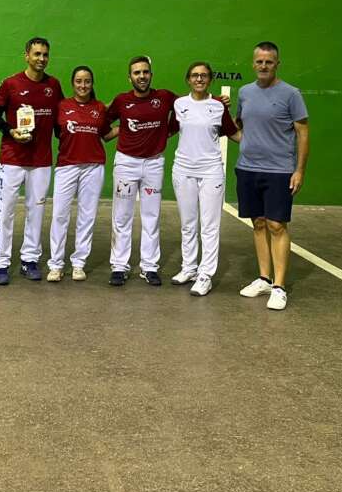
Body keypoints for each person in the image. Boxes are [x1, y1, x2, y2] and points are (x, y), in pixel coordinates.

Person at [235, 42, 309, 311]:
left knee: (277, 225)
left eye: (269, 61)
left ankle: (279, 287)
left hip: (279, 171)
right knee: (258, 223)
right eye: (259, 61)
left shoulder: (291, 94)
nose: (263, 66)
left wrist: (299, 170)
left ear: (277, 64)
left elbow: (303, 133)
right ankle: (264, 279)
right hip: (247, 168)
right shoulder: (244, 93)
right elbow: (241, 126)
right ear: (253, 63)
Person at [0, 37, 62, 284]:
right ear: (26, 56)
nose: (41, 58)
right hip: (11, 159)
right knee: (4, 211)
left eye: (45, 54)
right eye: (37, 54)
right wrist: (11, 132)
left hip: (41, 160)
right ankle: (1, 262)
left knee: (36, 211)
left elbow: (60, 124)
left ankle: (30, 259)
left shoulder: (54, 85)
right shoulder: (10, 84)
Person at [104, 56, 177, 286]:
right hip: (126, 164)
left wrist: (168, 131)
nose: (142, 76)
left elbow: (190, 105)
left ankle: (149, 266)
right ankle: (119, 266)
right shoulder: (121, 100)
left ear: (151, 75)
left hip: (154, 164)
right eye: (137, 73)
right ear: (130, 78)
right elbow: (103, 121)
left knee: (151, 216)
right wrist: (119, 130)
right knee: (122, 216)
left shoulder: (164, 97)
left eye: (145, 72)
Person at [170, 62, 240, 296]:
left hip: (211, 171)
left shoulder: (218, 105)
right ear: (188, 79)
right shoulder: (179, 104)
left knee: (209, 226)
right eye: (195, 75)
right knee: (188, 224)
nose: (199, 79)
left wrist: (261, 139)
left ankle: (205, 275)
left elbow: (234, 133)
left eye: (203, 76)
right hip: (183, 170)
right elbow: (168, 130)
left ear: (210, 79)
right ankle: (189, 268)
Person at [47, 66, 116, 282]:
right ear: (73, 83)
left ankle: (78, 263)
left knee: (87, 216)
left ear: (92, 83)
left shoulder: (99, 108)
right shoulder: (62, 106)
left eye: (87, 81)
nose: (83, 85)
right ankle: (56, 265)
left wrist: (133, 126)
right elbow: (55, 131)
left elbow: (106, 134)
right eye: (79, 81)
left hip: (93, 168)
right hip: (66, 166)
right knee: (59, 215)